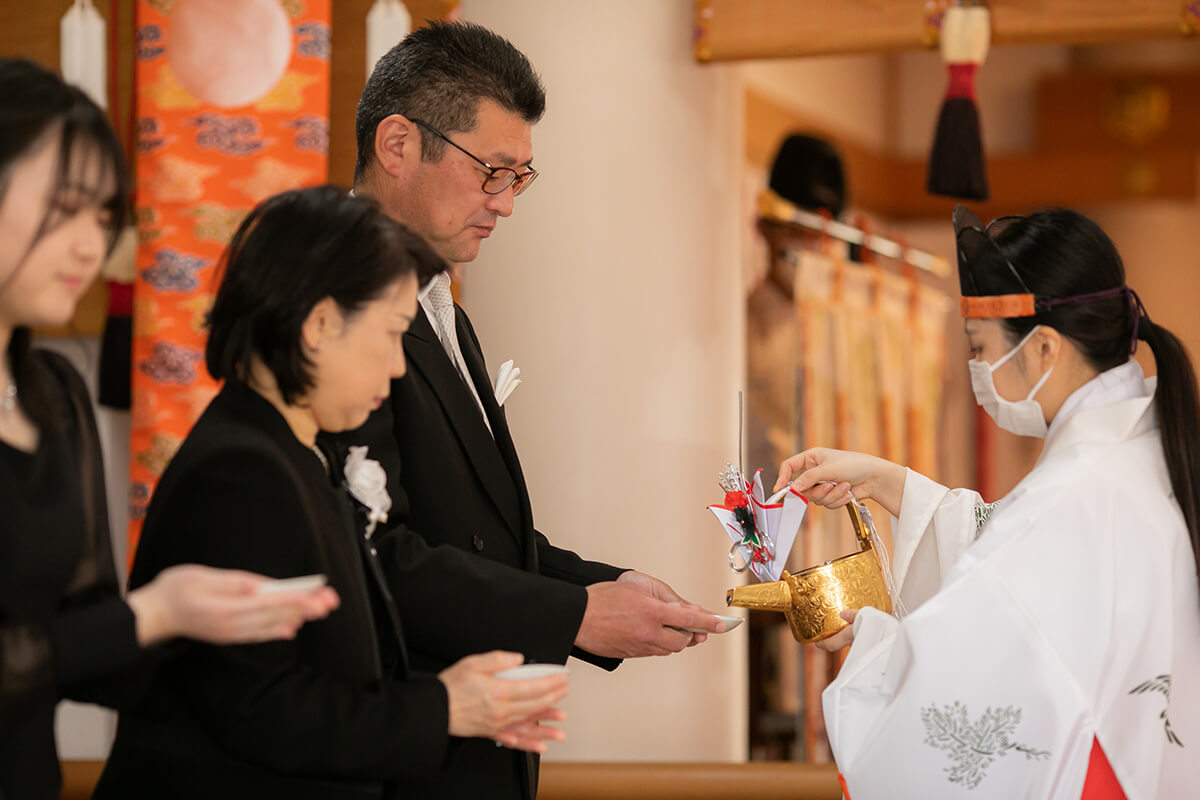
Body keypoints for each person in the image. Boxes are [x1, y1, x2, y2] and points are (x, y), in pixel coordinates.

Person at [337, 21, 723, 799]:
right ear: (398, 145)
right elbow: (371, 554)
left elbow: (472, 531)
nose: (506, 205)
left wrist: (606, 586)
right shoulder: (337, 304)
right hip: (397, 751)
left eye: (520, 177)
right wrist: (573, 614)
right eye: (492, 172)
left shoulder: (441, 304)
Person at [93, 186, 571, 799]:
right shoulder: (242, 472)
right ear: (320, 325)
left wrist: (462, 701)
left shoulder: (297, 454)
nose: (398, 368)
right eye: (391, 333)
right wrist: (444, 709)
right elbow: (261, 711)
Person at [774, 206, 1200, 798]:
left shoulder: (1069, 497)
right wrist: (888, 481)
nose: (975, 369)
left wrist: (874, 648)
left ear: (1045, 349)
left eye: (979, 348)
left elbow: (981, 655)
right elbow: (1021, 561)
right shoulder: (1146, 451)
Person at [0, 59, 340, 800]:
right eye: (66, 206)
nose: (93, 246)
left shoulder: (53, 394)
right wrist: (157, 610)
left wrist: (209, 619)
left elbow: (85, 642)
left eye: (103, 215)